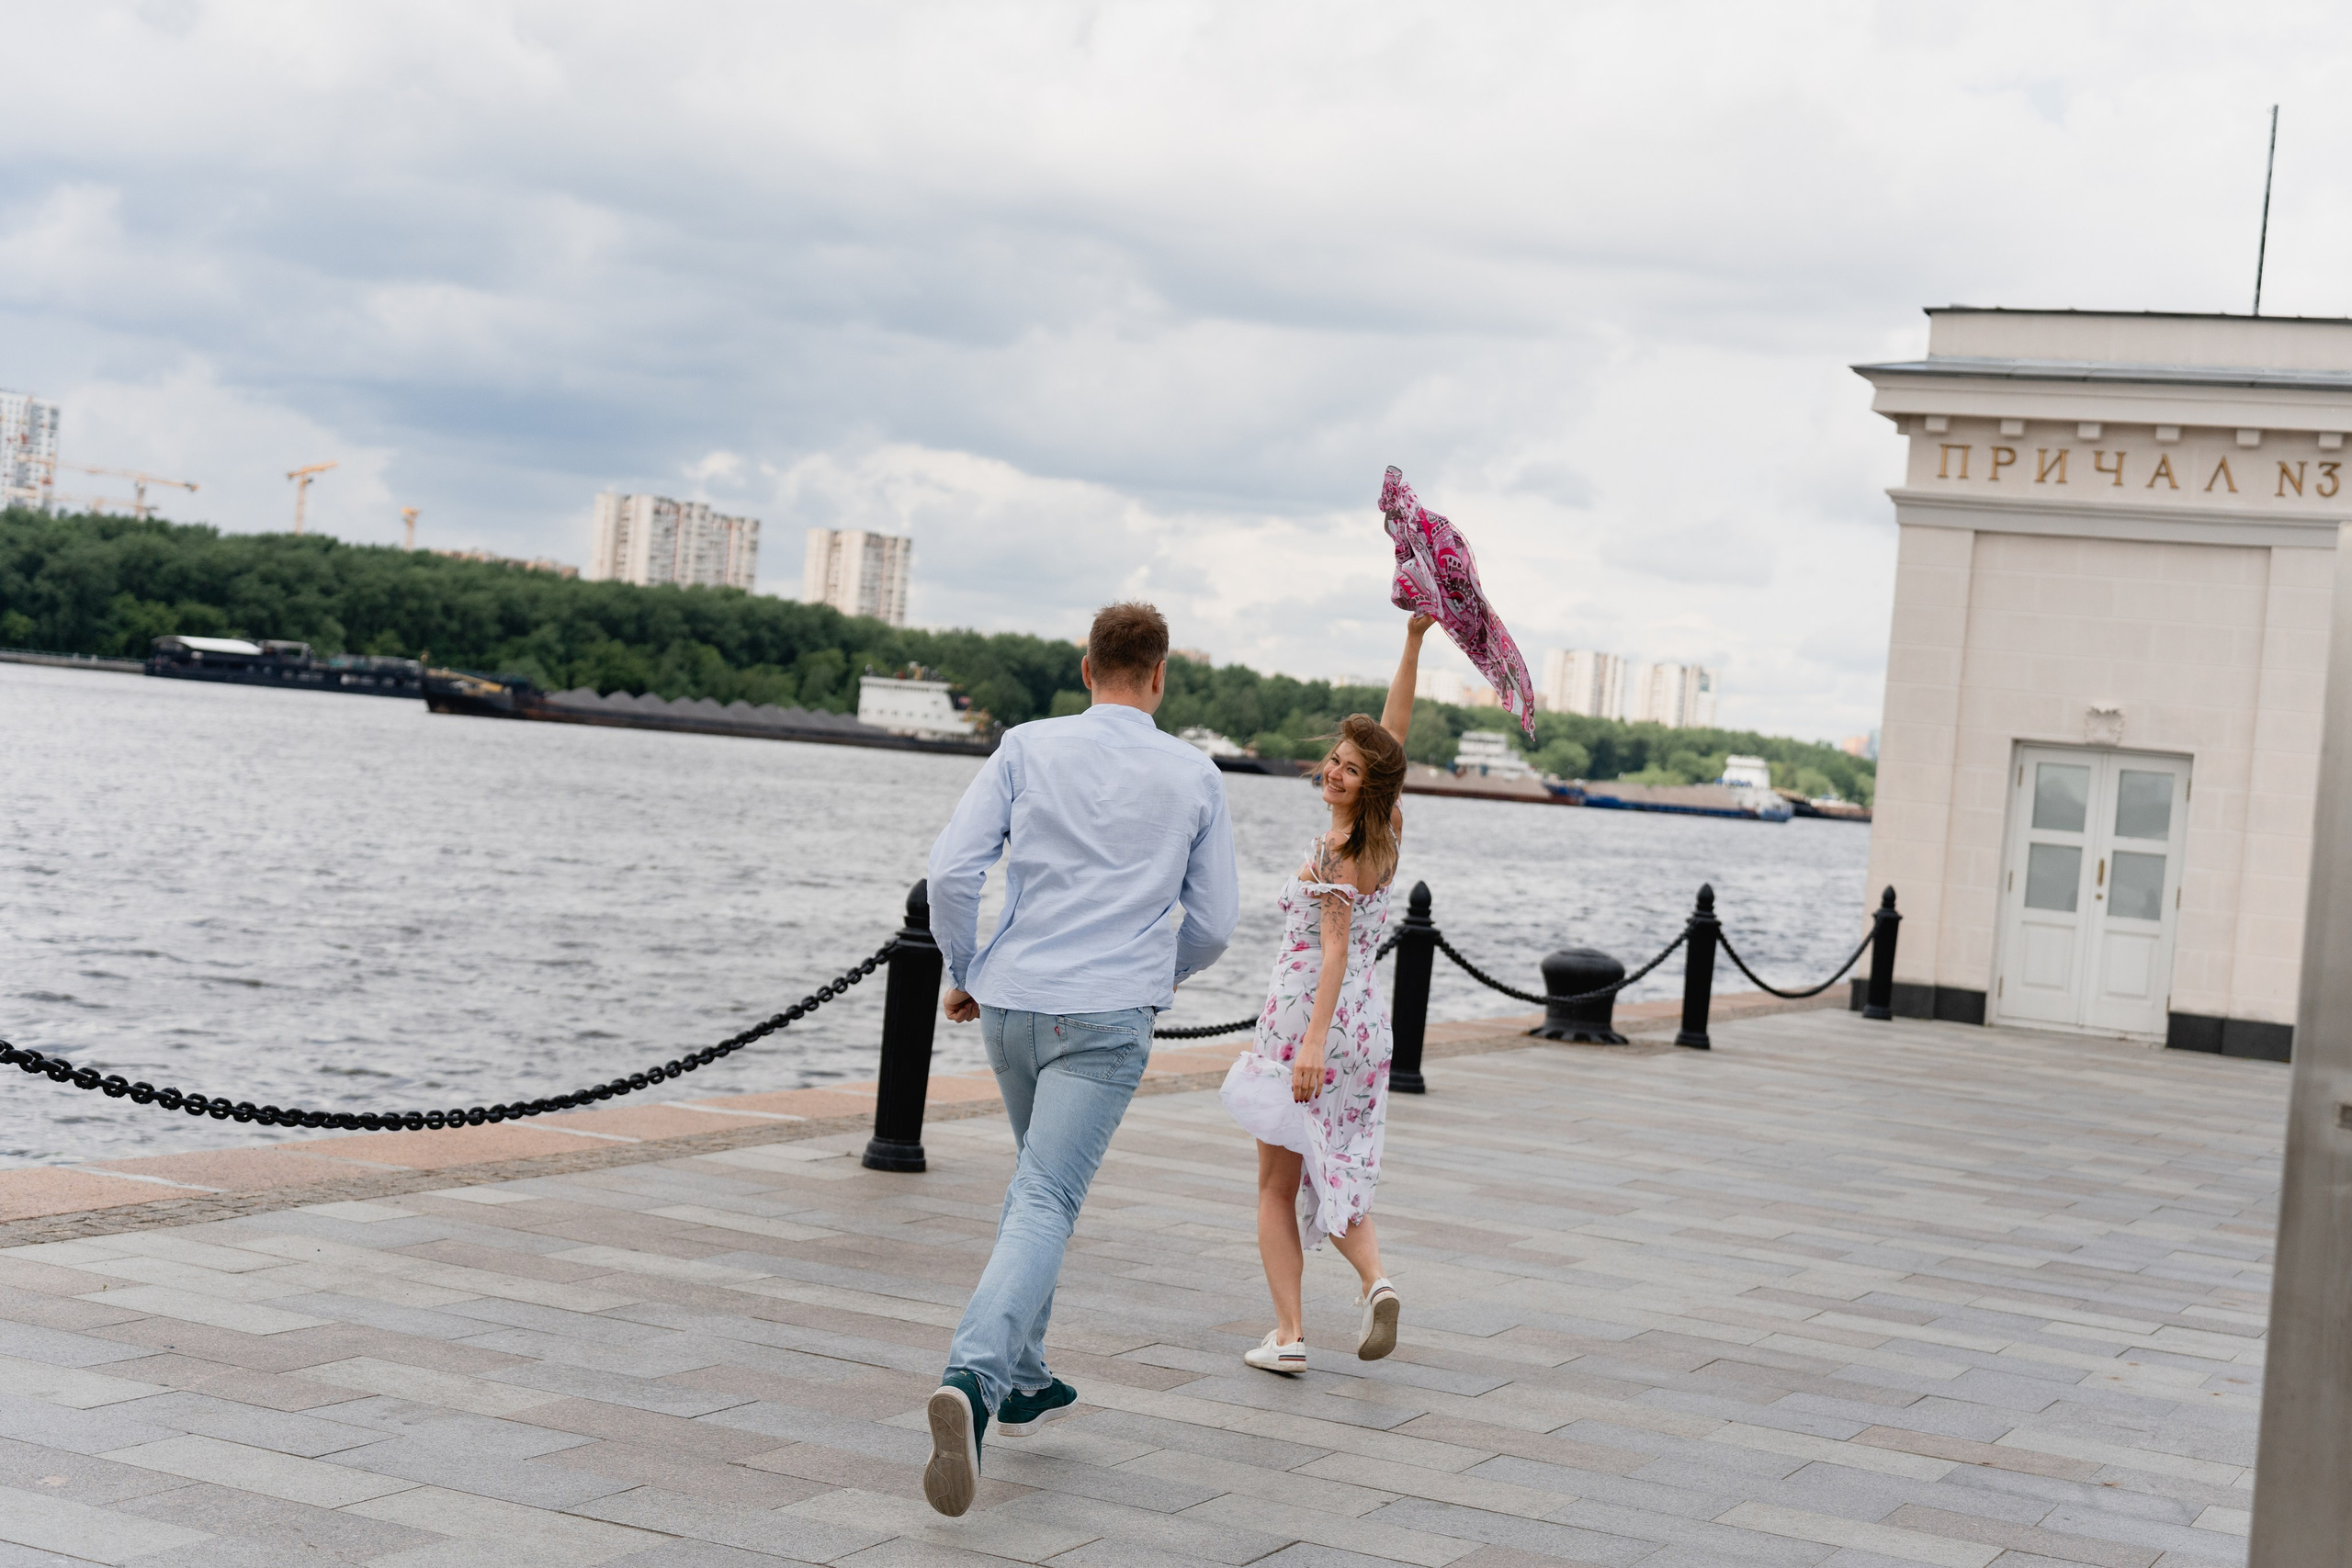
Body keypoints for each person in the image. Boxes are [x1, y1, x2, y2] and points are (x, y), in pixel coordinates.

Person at [919, 601, 1240, 1517]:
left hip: (1013, 1004)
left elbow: (951, 872)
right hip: (1103, 1018)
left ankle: (1025, 1378)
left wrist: (965, 966)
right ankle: (974, 1379)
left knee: (1035, 1186)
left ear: (1086, 665)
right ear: (1160, 674)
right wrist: (1152, 975)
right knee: (1046, 1197)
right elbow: (1215, 922)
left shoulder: (1025, 746)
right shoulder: (1195, 773)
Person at [1242, 611, 1431, 1375]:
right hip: (1366, 1025)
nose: (1334, 770)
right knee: (1339, 1163)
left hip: (1309, 1021)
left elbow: (1332, 947)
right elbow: (1395, 734)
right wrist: (1413, 642)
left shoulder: (1336, 851)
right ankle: (1375, 1279)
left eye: (1350, 768)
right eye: (1333, 759)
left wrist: (1310, 1043)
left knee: (1276, 1183)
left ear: (1368, 784)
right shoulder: (1387, 829)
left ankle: (1289, 1334)